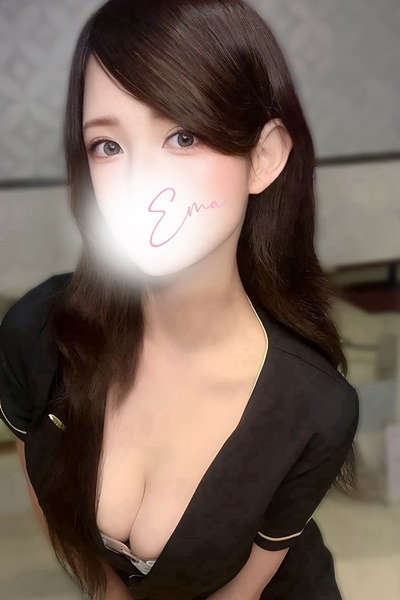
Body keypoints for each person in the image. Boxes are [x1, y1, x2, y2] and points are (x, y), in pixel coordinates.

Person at [0, 0, 359, 599]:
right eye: (107, 146)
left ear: (264, 156)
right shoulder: (37, 331)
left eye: (183, 136)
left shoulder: (316, 405)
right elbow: (41, 475)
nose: (139, 186)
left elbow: (247, 587)